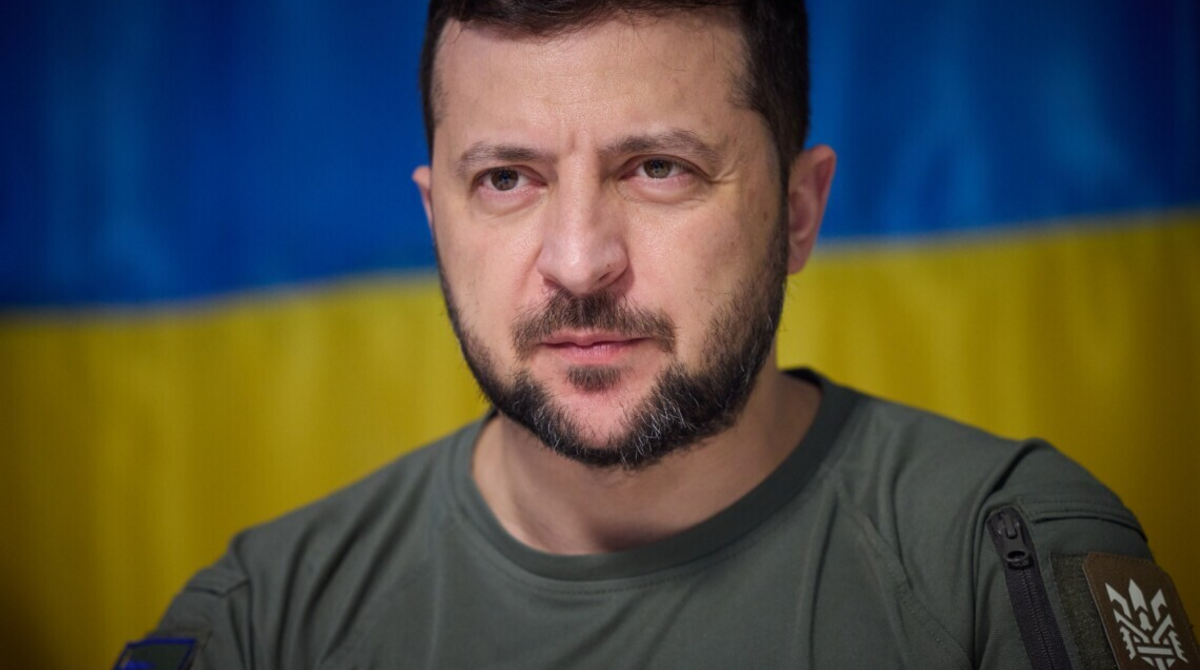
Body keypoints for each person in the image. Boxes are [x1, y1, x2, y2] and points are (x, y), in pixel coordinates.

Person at [115, 1, 1196, 668]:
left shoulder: (1003, 558)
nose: (580, 261)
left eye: (659, 169)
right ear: (436, 219)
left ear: (799, 212)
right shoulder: (265, 624)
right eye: (507, 179)